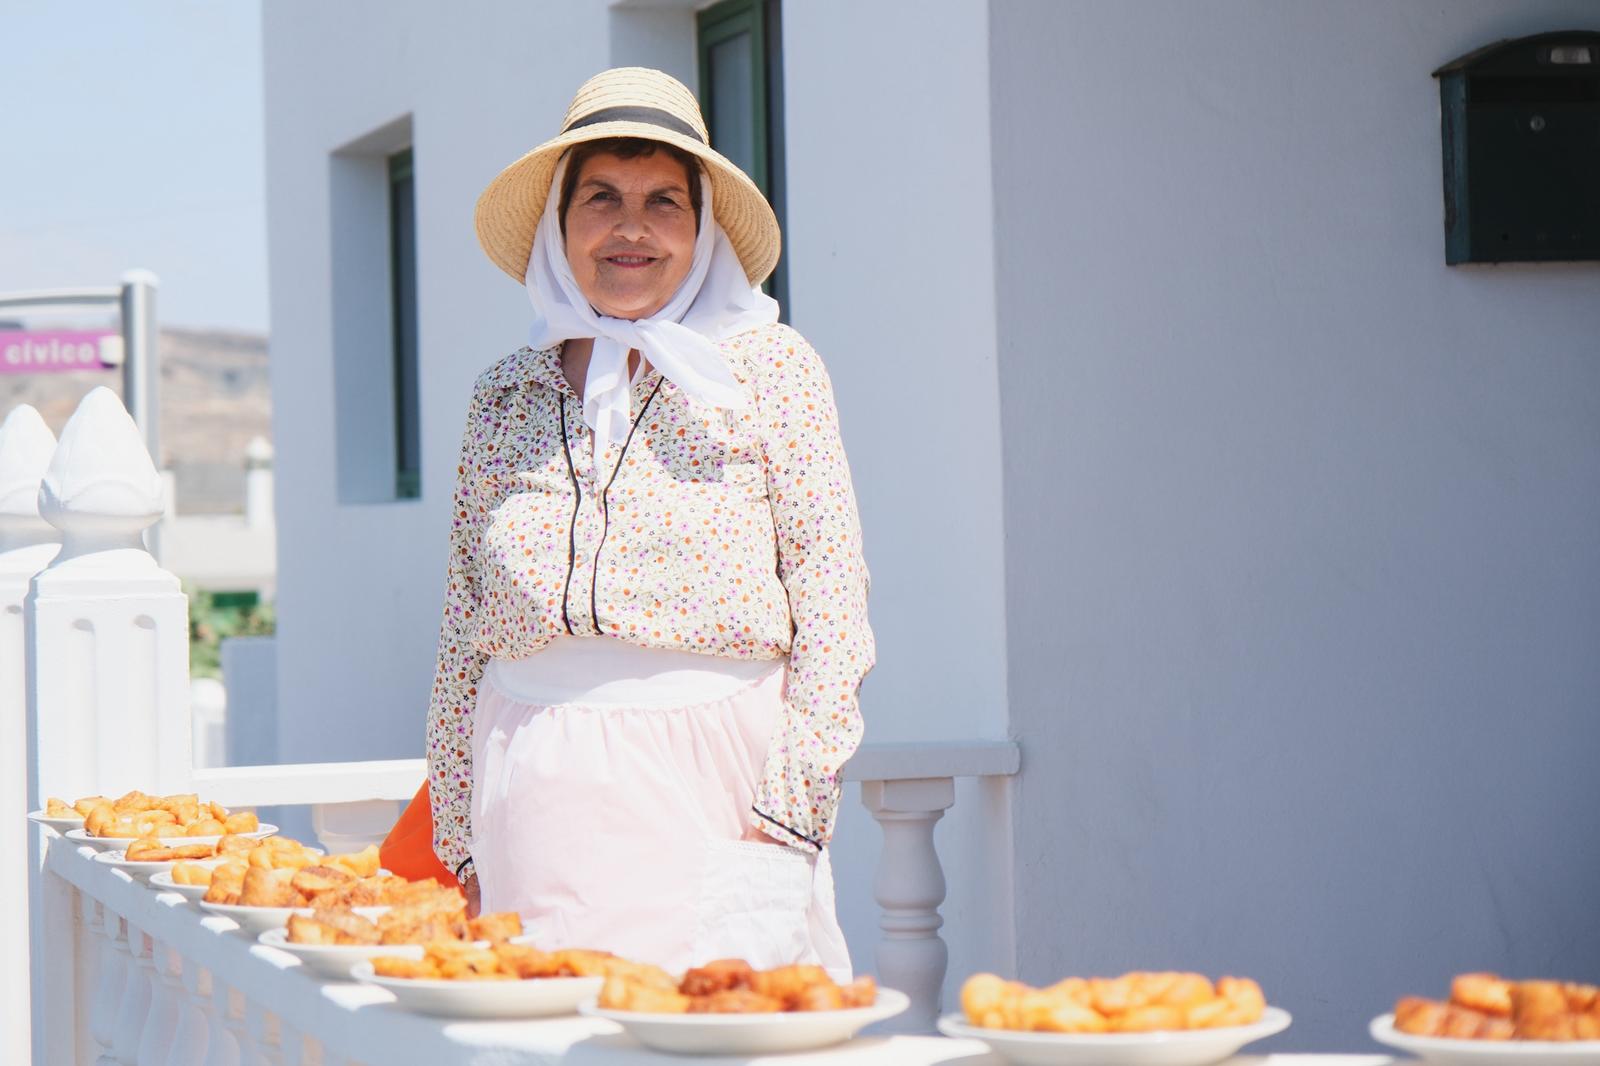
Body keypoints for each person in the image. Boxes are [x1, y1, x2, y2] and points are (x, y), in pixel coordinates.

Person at [423, 67, 873, 979]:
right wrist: (458, 835)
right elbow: (463, 629)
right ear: (560, 222)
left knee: (711, 1022)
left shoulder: (772, 371)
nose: (632, 229)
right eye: (603, 198)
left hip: (714, 785)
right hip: (530, 790)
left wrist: (787, 816)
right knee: (545, 1028)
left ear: (702, 226)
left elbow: (832, 599)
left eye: (664, 200)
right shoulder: (502, 395)